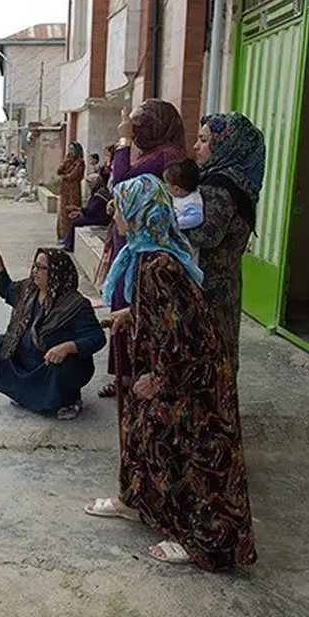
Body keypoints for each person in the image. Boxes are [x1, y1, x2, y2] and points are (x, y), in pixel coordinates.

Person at [84, 174, 257, 572]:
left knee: (193, 455)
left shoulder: (159, 265)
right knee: (141, 429)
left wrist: (160, 379)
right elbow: (167, 312)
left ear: (140, 212)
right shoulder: (147, 254)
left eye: (120, 205)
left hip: (192, 377)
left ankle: (198, 541)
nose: (113, 212)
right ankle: (134, 502)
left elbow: (187, 335)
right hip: (174, 367)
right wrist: (132, 314)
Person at [97, 99, 188, 398]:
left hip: (145, 244)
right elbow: (122, 186)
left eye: (139, 125)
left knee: (136, 307)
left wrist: (124, 141)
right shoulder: (154, 153)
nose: (134, 131)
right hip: (130, 241)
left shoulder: (167, 155)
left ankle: (141, 377)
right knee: (121, 306)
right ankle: (125, 375)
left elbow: (122, 180)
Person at [0, 245, 107, 421]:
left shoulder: (75, 304)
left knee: (62, 364)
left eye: (42, 268)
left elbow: (97, 338)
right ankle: (25, 394)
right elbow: (6, 289)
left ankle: (68, 400)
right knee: (0, 344)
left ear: (57, 273)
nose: (35, 271)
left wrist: (68, 347)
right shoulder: (28, 290)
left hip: (53, 364)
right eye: (35, 266)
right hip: (30, 358)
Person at [186, 112, 266, 374]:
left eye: (204, 140)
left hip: (208, 286)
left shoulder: (219, 187)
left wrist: (165, 225)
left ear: (225, 144)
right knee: (223, 349)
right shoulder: (239, 181)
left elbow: (207, 236)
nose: (196, 146)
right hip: (226, 282)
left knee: (208, 352)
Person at [60, 180, 112, 253]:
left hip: (100, 219)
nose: (89, 185)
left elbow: (91, 211)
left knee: (75, 222)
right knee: (76, 219)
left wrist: (80, 210)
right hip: (96, 217)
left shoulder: (100, 195)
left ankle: (69, 245)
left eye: (90, 183)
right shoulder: (98, 192)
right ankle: (67, 241)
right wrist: (80, 212)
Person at [55, 142, 86, 243]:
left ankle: (69, 237)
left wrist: (64, 176)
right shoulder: (68, 161)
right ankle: (62, 235)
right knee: (63, 213)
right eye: (69, 149)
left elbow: (72, 176)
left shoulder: (80, 163)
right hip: (65, 191)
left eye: (72, 149)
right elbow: (59, 171)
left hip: (73, 191)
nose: (70, 151)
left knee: (71, 212)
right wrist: (65, 161)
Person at [164, 158, 204, 230]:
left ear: (177, 189)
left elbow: (197, 218)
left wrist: (173, 222)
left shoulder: (192, 203)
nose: (165, 185)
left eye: (167, 183)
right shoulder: (180, 193)